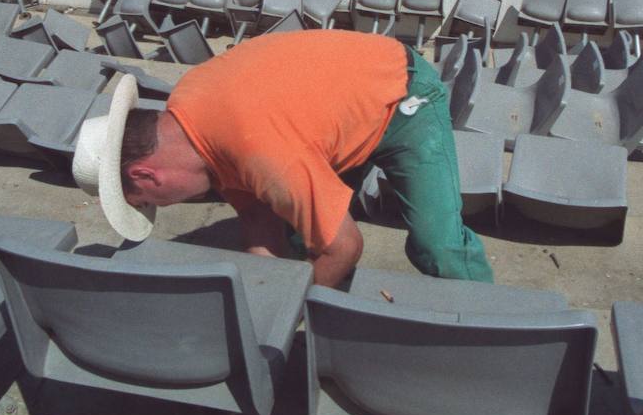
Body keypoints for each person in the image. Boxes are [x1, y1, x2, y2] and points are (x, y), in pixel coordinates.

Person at [72, 29, 493, 287]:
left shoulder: (256, 150)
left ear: (145, 176)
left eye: (146, 203)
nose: (161, 207)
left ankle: (489, 332)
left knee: (436, 246)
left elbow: (344, 248)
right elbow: (258, 219)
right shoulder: (188, 114)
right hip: (330, 113)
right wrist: (264, 288)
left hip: (401, 92)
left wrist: (290, 317)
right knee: (300, 235)